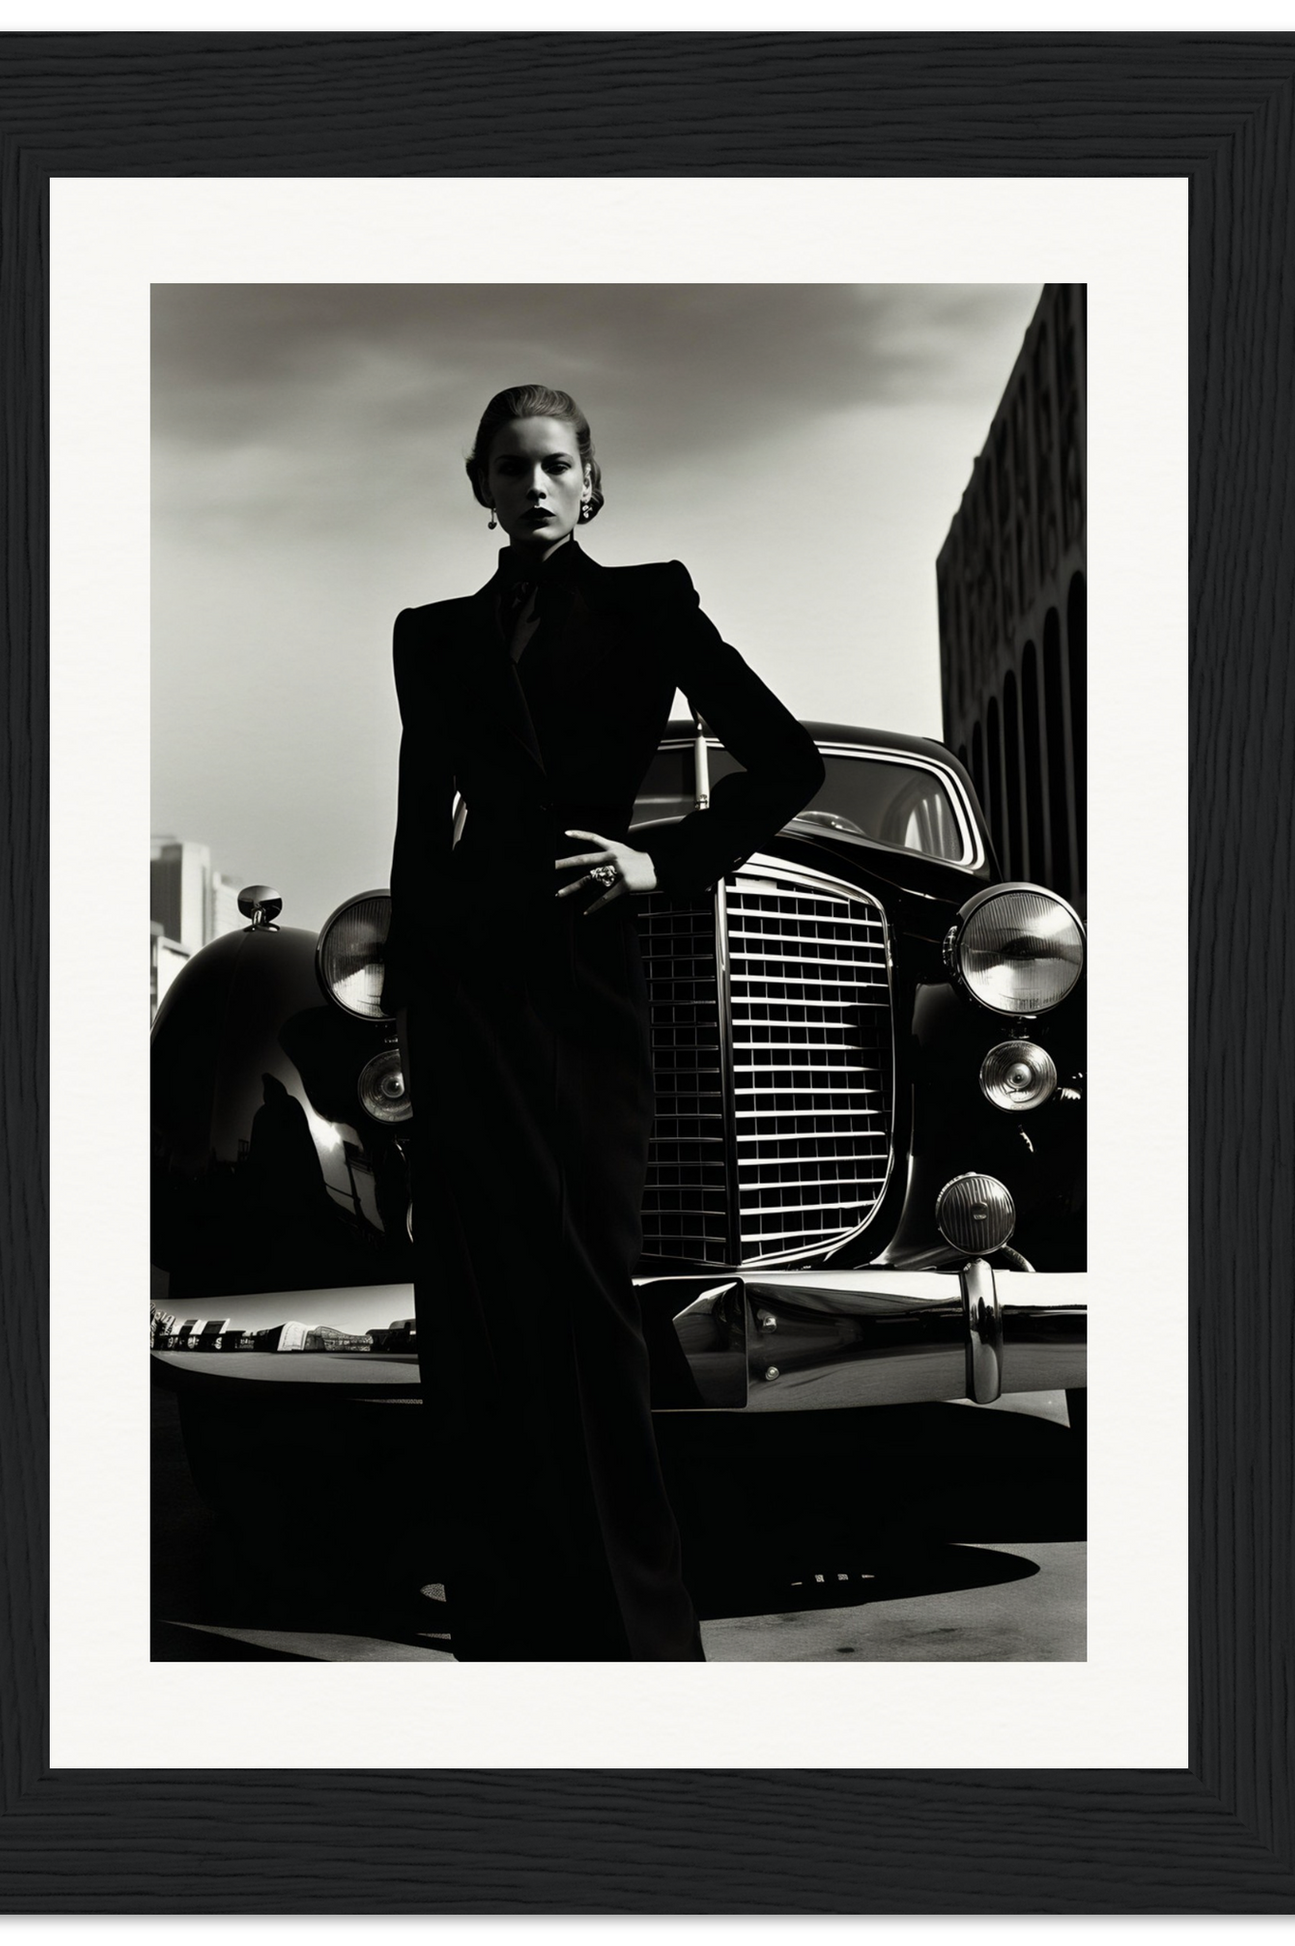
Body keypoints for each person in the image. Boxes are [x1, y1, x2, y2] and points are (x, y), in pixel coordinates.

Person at [382, 384, 824, 1661]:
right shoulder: (428, 634)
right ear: (477, 484)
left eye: (555, 465)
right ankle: (504, 1626)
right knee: (476, 1313)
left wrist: (663, 864)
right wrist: (408, 1016)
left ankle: (635, 1632)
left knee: (584, 1304)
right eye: (509, 467)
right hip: (467, 994)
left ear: (591, 485)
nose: (531, 486)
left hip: (582, 985)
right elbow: (420, 829)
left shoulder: (648, 601)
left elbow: (781, 760)